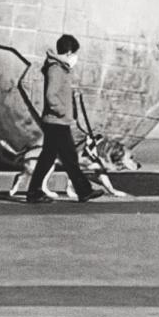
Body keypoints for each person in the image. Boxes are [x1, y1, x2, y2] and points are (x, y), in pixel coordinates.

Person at [25, 35, 103, 204]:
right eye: (74, 52)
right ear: (68, 52)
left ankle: (35, 192)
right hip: (56, 121)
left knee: (52, 157)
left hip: (58, 121)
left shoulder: (61, 68)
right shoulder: (56, 69)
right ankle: (83, 190)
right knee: (68, 157)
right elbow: (50, 96)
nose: (75, 56)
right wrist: (62, 111)